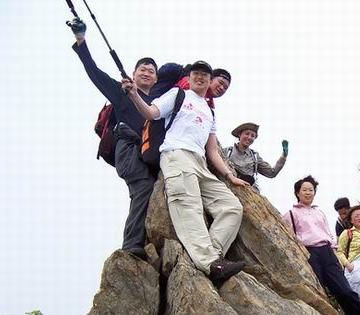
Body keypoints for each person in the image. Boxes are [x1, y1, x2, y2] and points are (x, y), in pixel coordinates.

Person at [122, 60, 250, 285]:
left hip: (200, 162)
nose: (200, 77)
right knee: (189, 206)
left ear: (209, 81)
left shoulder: (210, 112)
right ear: (189, 78)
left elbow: (212, 151)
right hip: (176, 154)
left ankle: (212, 254)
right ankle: (210, 263)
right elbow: (151, 113)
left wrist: (230, 176)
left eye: (204, 75)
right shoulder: (178, 95)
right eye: (196, 73)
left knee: (232, 207)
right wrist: (133, 94)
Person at [67, 17, 158, 260]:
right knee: (143, 187)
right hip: (127, 148)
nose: (147, 73)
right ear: (133, 74)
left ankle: (145, 239)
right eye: (142, 70)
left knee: (152, 190)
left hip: (147, 152)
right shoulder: (121, 92)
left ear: (156, 79)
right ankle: (131, 246)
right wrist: (81, 39)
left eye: (151, 71)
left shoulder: (157, 104)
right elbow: (94, 72)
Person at [283, 176, 360, 315]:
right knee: (317, 293)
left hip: (327, 251)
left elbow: (329, 235)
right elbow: (288, 237)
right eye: (304, 190)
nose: (308, 193)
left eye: (311, 190)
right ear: (297, 193)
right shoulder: (291, 214)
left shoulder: (319, 213)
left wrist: (336, 254)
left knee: (345, 290)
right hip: (308, 253)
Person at [223, 123, 288, 189]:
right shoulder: (227, 151)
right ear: (240, 134)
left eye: (253, 136)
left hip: (248, 190)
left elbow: (271, 173)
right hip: (227, 187)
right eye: (247, 134)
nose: (249, 137)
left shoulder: (255, 156)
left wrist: (284, 156)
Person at [150, 64, 231, 108]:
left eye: (225, 88)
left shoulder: (208, 106)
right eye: (220, 82)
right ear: (211, 79)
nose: (222, 88)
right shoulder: (190, 84)